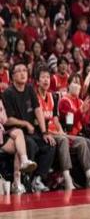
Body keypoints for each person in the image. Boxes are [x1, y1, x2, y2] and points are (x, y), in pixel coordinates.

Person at [35, 66, 90, 189]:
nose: (46, 80)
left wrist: (60, 131)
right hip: (46, 133)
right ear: (37, 81)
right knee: (66, 140)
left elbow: (56, 119)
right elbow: (67, 121)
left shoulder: (52, 97)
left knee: (83, 141)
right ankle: (67, 178)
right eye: (43, 77)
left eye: (48, 77)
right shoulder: (44, 98)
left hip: (60, 132)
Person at [2, 62, 56, 192]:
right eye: (19, 71)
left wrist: (44, 132)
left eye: (25, 70)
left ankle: (38, 179)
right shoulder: (8, 93)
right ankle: (26, 180)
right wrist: (25, 123)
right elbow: (7, 120)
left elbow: (38, 110)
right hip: (15, 132)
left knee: (50, 145)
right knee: (31, 145)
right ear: (12, 76)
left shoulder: (30, 89)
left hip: (31, 131)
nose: (23, 73)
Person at [0, 96, 38, 194]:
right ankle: (16, 183)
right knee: (19, 144)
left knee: (19, 135)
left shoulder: (1, 100)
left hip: (1, 132)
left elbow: (4, 120)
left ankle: (22, 166)